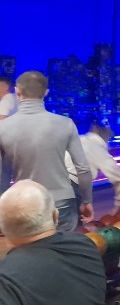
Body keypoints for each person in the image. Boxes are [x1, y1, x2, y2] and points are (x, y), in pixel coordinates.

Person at [0, 71, 93, 232]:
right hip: (63, 201)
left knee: (31, 247)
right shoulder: (66, 124)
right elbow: (83, 168)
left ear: (17, 91)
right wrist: (87, 201)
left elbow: (2, 174)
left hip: (25, 203)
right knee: (63, 247)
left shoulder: (2, 128)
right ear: (46, 92)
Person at [64, 123, 120, 214]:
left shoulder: (78, 139)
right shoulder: (97, 147)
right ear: (105, 136)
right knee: (74, 220)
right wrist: (119, 205)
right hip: (73, 188)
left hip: (54, 183)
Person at [0, 77, 15, 196]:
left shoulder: (6, 100)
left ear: (5, 87)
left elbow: (2, 121)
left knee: (3, 174)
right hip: (14, 143)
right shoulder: (15, 99)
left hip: (5, 143)